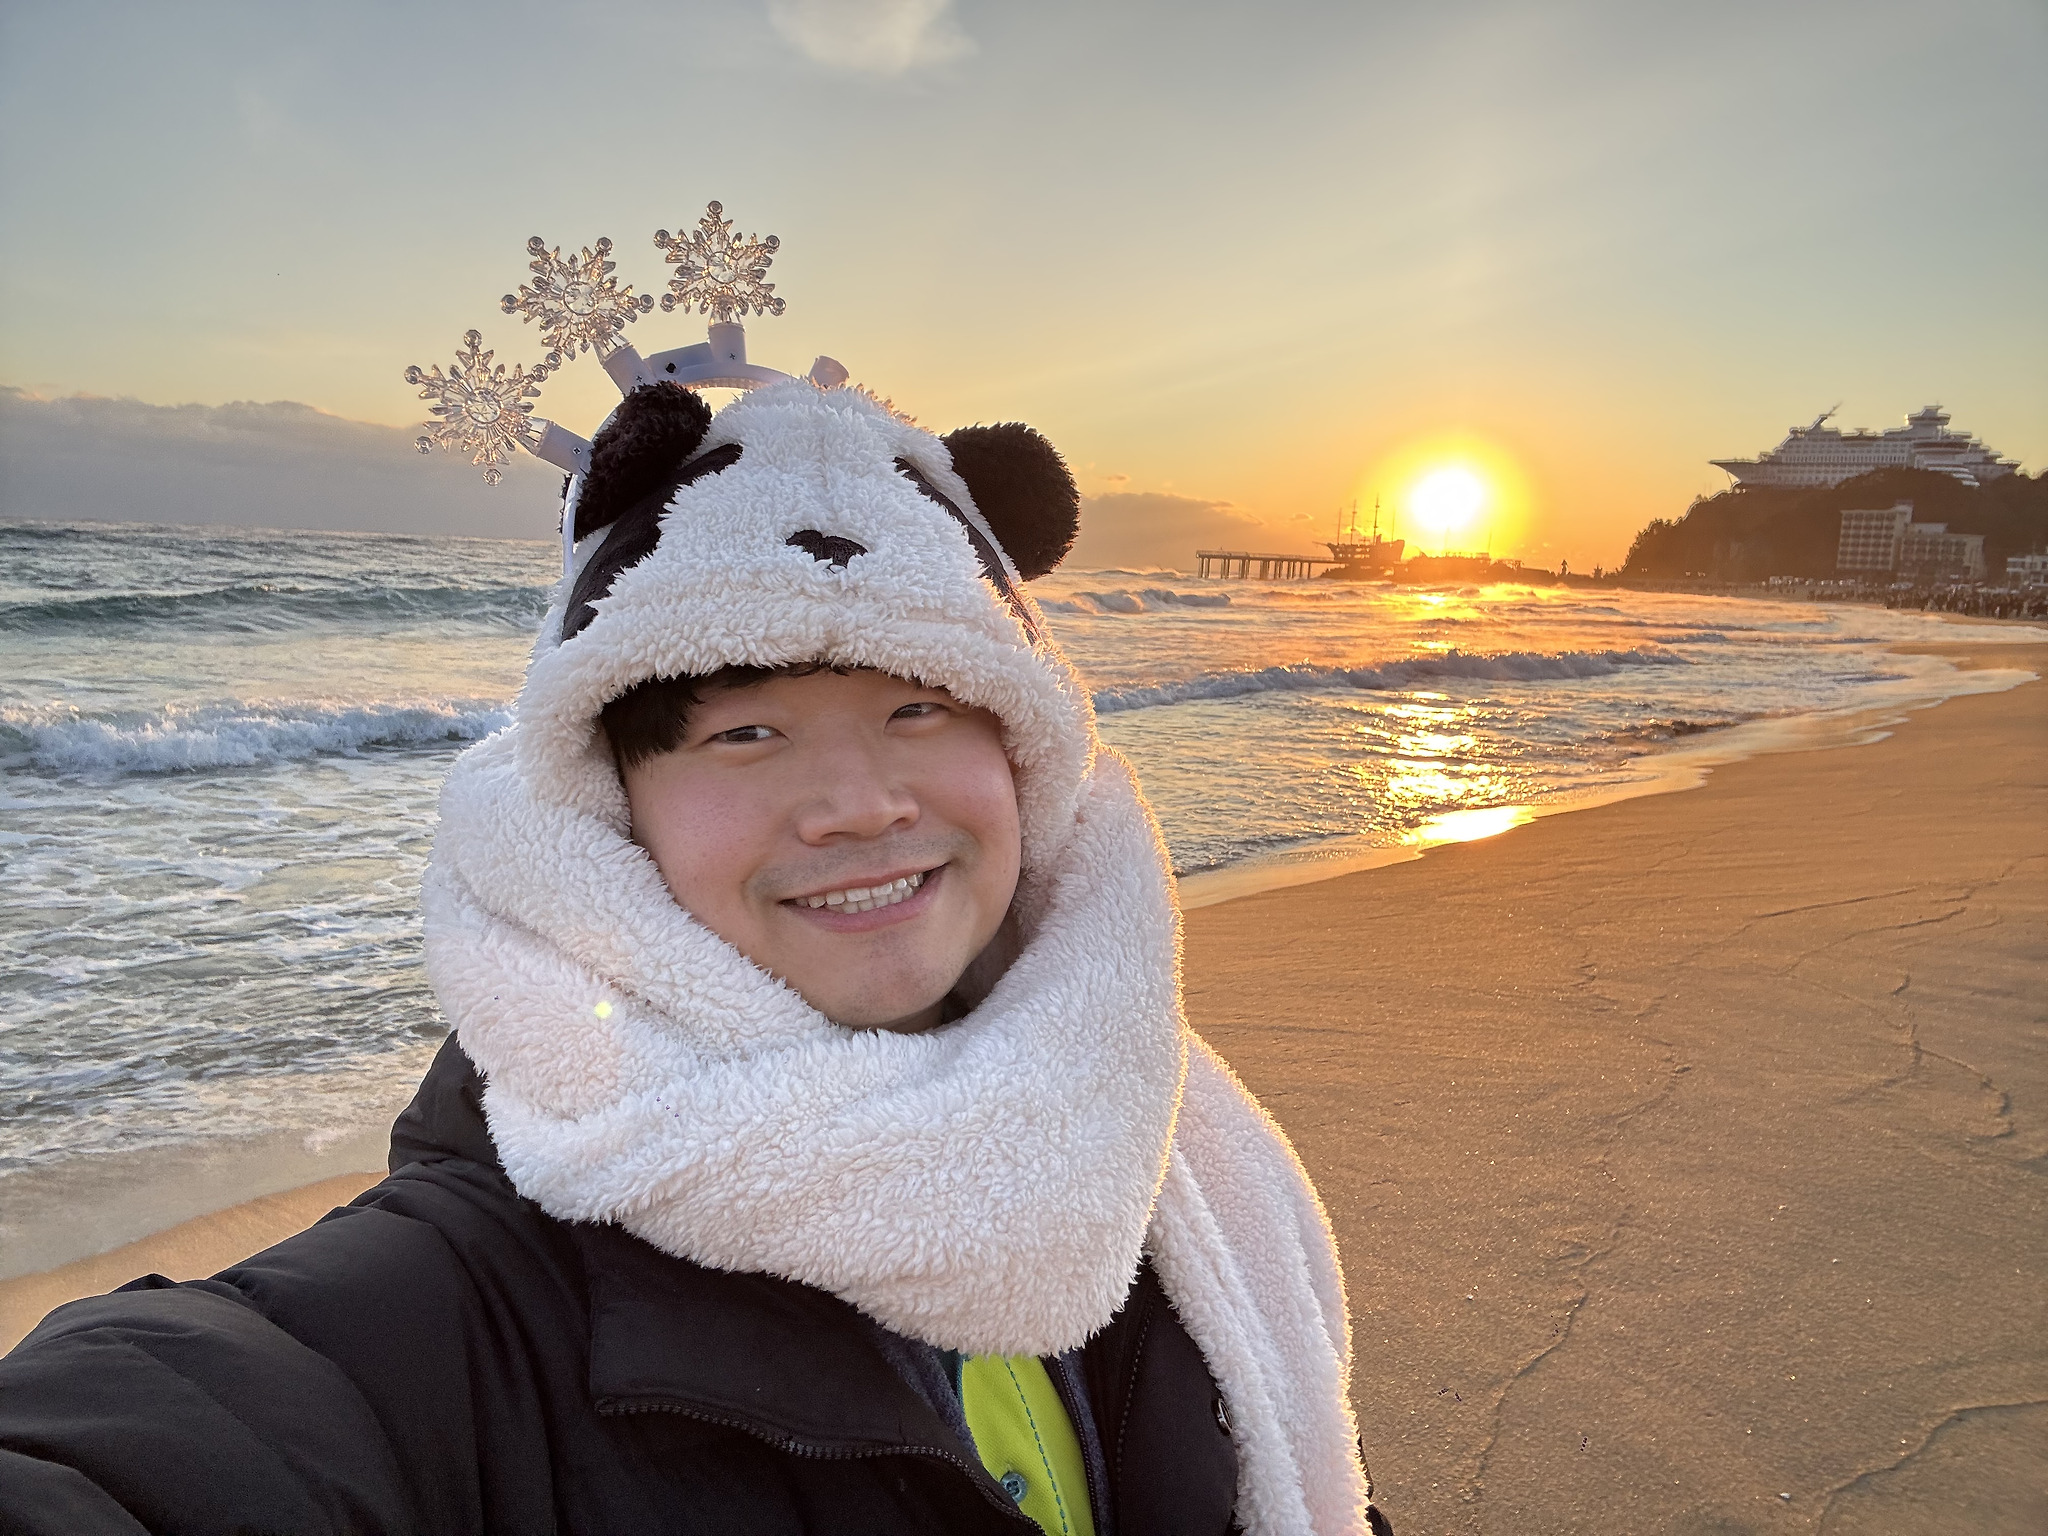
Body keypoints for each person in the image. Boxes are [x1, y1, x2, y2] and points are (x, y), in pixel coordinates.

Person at [0, 377, 1388, 1534]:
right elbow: (182, 1428)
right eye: (745, 731)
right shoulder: (474, 1294)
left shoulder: (1145, 1147)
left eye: (919, 708)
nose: (858, 805)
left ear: (1031, 751)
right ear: (610, 808)